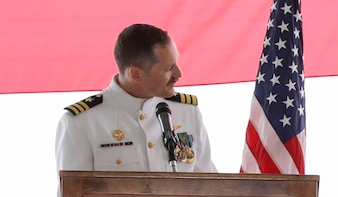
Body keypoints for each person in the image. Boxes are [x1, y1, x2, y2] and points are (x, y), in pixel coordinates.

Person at [55, 23, 217, 180]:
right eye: (168, 68)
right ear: (136, 75)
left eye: (176, 63)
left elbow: (209, 186)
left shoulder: (187, 111)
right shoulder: (81, 122)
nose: (178, 74)